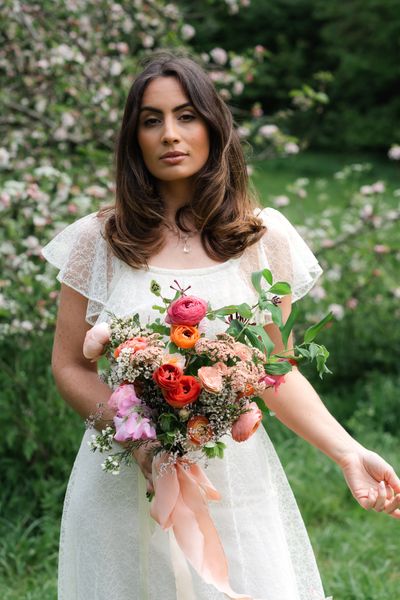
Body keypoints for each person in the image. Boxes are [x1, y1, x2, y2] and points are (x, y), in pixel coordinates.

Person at [42, 50, 400, 600]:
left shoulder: (262, 240)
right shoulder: (99, 241)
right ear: (133, 137)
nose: (169, 134)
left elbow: (273, 373)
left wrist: (348, 451)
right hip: (123, 477)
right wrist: (141, 440)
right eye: (151, 119)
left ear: (214, 126)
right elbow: (69, 364)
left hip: (232, 479)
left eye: (186, 116)